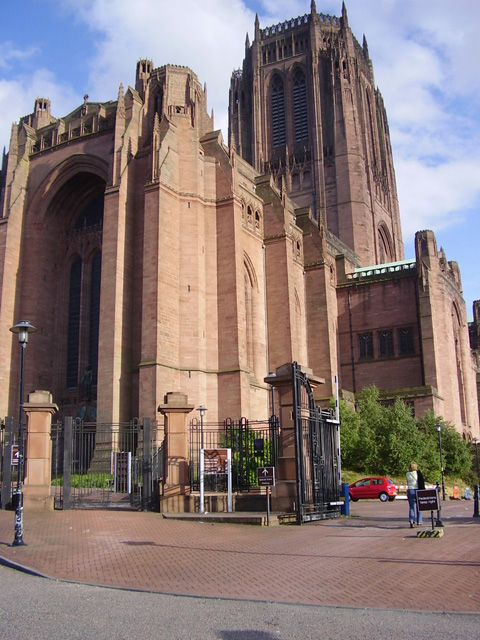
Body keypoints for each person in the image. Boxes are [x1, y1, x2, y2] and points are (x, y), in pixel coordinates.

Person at [406, 461, 424, 527]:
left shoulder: (407, 474)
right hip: (417, 490)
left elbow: (407, 482)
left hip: (410, 490)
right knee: (419, 506)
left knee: (411, 507)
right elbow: (421, 481)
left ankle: (411, 520)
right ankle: (419, 521)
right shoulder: (417, 473)